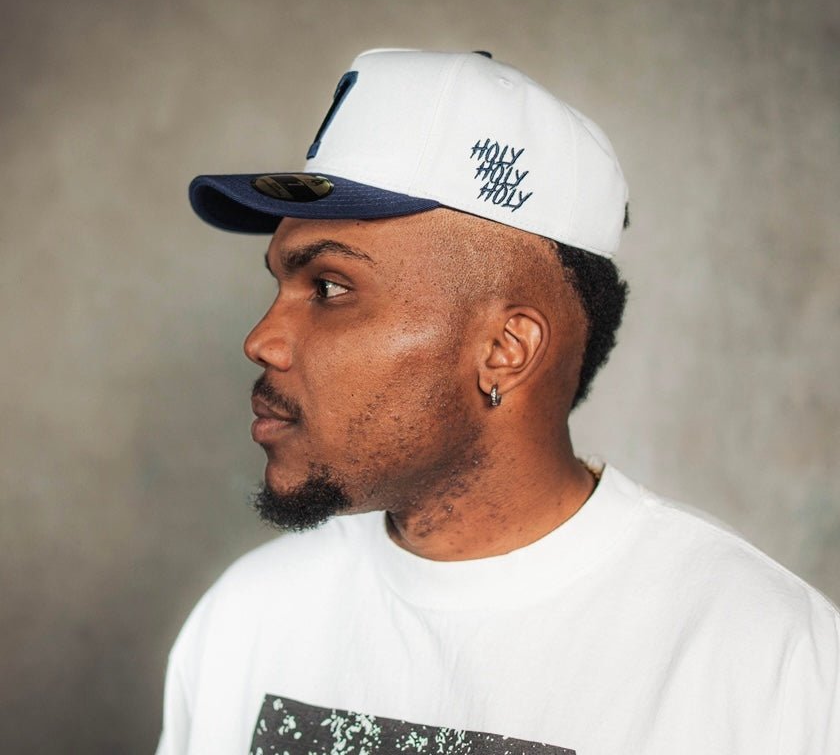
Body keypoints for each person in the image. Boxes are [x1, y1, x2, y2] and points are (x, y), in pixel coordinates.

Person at [157, 49, 839, 755]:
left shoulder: (765, 661)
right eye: (280, 285)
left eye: (330, 288)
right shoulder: (246, 620)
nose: (262, 341)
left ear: (506, 349)